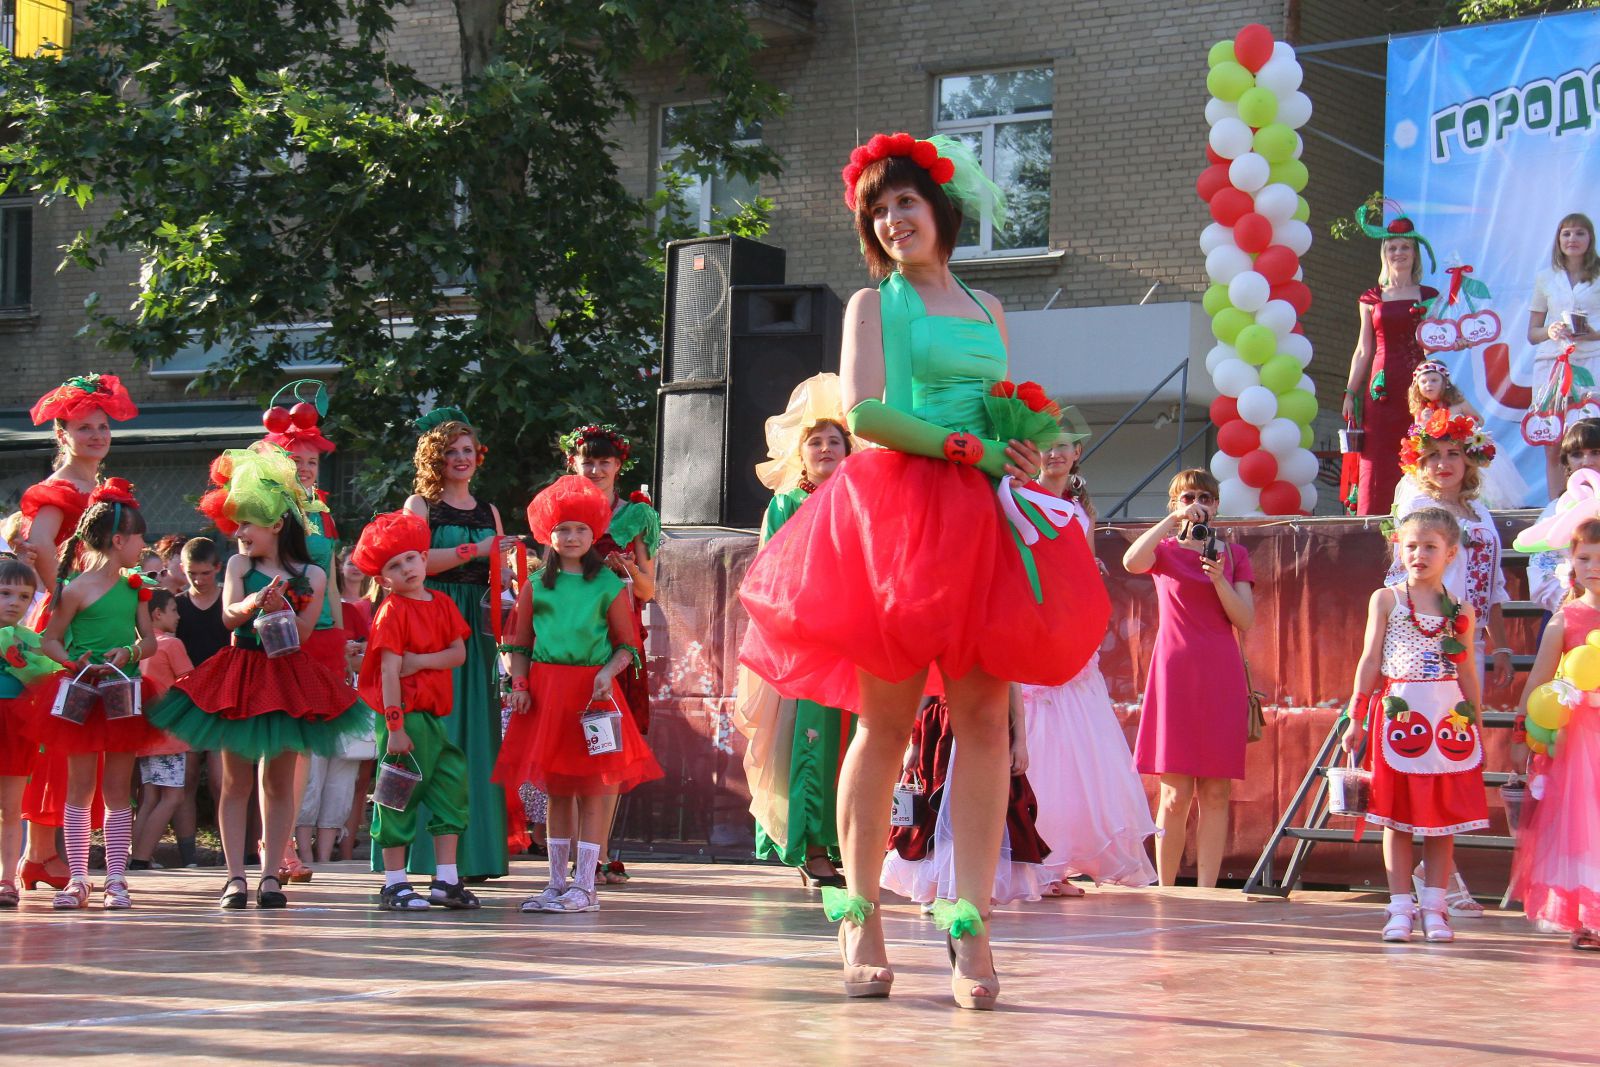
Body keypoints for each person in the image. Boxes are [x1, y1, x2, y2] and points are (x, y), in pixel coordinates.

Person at [738, 131, 1108, 1009]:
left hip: (981, 517)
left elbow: (1000, 403)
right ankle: (859, 912)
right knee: (887, 721)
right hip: (900, 516)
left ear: (938, 208)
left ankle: (970, 920)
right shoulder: (876, 304)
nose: (892, 218)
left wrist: (1019, 445)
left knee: (984, 720)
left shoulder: (988, 305)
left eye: (905, 201)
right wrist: (969, 447)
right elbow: (865, 413)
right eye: (878, 209)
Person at [146, 447, 367, 909]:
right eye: (238, 524)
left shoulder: (311, 574)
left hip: (286, 678)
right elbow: (228, 617)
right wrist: (254, 603)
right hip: (242, 674)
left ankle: (270, 876)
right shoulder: (238, 566)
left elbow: (303, 634)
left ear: (277, 524)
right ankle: (234, 877)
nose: (239, 532)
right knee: (234, 782)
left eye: (248, 523)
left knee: (279, 782)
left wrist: (284, 605)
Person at [495, 476, 662, 915]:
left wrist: (608, 672)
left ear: (594, 534)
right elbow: (518, 644)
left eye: (581, 529)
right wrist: (519, 684)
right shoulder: (536, 585)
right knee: (557, 791)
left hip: (594, 698)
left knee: (591, 790)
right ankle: (556, 883)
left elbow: (627, 646)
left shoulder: (608, 585)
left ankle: (586, 886)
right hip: (547, 696)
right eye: (563, 529)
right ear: (548, 534)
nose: (572, 537)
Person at [1022, 422, 1157, 892]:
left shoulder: (1082, 509)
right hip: (1034, 629)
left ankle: (1056, 862)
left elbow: (1087, 568)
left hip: (1073, 635)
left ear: (1077, 451)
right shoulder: (1021, 497)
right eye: (1046, 447)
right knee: (1034, 743)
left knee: (1073, 749)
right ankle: (1029, 859)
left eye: (1062, 446)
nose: (1054, 454)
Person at [735, 374, 858, 888]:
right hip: (808, 643)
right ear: (800, 455)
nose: (826, 448)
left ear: (850, 450)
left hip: (857, 641)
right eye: (816, 442)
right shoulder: (786, 504)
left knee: (856, 742)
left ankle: (849, 842)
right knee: (812, 741)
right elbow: (771, 575)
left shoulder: (863, 499)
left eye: (835, 441)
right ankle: (812, 847)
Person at [17, 372, 139, 892]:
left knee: (86, 734)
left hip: (99, 614)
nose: (96, 435)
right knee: (64, 735)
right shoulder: (59, 490)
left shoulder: (102, 490)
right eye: (84, 427)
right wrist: (63, 592)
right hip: (70, 619)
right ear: (62, 435)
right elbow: (39, 544)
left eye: (103, 426)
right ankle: (41, 854)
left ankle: (46, 855)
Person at [1342, 507, 1487, 943]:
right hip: (1400, 719)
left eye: (1430, 547)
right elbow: (1370, 659)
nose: (1418, 554)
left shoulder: (1460, 610)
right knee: (1397, 818)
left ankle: (1435, 908)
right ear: (1398, 549)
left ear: (1451, 553)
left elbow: (1466, 670)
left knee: (1442, 820)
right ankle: (1400, 907)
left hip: (1446, 720)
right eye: (1410, 546)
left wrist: (1475, 722)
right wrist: (1355, 715)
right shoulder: (1386, 599)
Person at [28, 481, 160, 910]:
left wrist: (130, 652)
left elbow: (149, 641)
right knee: (80, 789)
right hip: (83, 692)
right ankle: (79, 878)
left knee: (119, 789)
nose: (143, 545)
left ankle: (117, 878)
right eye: (139, 537)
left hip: (122, 693)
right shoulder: (75, 588)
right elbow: (49, 640)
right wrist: (72, 662)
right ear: (119, 540)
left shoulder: (136, 586)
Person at [1123, 469, 1254, 888]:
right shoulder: (1163, 551)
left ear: (1217, 506)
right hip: (1175, 675)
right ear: (1175, 503)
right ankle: (1167, 891)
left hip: (1221, 674)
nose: (1198, 504)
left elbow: (1244, 619)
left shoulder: (1234, 555)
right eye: (1188, 497)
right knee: (1174, 793)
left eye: (1205, 498)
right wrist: (1172, 522)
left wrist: (1219, 579)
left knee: (1215, 792)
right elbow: (1131, 561)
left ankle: (1208, 892)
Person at [392, 407, 506, 881]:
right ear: (434, 458)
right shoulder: (420, 505)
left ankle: (475, 857)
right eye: (451, 451)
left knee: (476, 734)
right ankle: (423, 857)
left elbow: (500, 576)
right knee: (431, 730)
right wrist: (475, 550)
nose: (461, 458)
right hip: (430, 619)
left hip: (478, 628)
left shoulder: (490, 511)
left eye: (468, 450)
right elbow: (412, 563)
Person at [352, 511, 480, 911]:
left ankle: (446, 880)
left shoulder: (442, 604)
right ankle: (394, 883)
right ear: (382, 579)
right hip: (403, 717)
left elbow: (458, 654)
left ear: (424, 558)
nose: (406, 568)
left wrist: (421, 661)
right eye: (394, 565)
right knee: (397, 794)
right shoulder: (392, 610)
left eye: (410, 558)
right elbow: (389, 671)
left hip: (434, 718)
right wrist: (394, 726)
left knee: (450, 788)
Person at [560, 423, 661, 884]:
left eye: (605, 462)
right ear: (573, 463)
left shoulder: (637, 516)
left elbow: (648, 589)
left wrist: (627, 569)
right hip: (571, 640)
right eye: (588, 461)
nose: (596, 469)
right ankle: (572, 855)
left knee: (610, 744)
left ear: (619, 465)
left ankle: (597, 855)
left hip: (619, 641)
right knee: (569, 745)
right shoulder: (561, 510)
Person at [1511, 516, 1600, 950]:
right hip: (1579, 741)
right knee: (1583, 826)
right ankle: (1589, 916)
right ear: (1572, 563)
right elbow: (1537, 681)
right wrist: (1520, 734)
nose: (1594, 567)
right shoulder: (1565, 619)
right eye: (1585, 558)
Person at [881, 689, 1055, 907]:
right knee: (937, 808)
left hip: (988, 724)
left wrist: (1020, 741)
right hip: (941, 731)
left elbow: (1011, 688)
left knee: (983, 808)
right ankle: (939, 887)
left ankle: (976, 888)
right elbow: (925, 689)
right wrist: (914, 742)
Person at [1341, 206, 1440, 516]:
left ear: (1415, 253)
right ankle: (1371, 522)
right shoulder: (1371, 298)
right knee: (1377, 455)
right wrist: (1350, 392)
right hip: (1380, 388)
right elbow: (1362, 349)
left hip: (1419, 385)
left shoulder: (1429, 295)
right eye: (1393, 248)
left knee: (1421, 447)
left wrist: (1454, 343)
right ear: (1385, 254)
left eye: (1405, 247)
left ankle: (1420, 516)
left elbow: (1435, 343)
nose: (1399, 253)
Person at [1527, 213, 1600, 497]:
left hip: (1592, 361)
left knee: (1592, 434)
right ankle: (1555, 505)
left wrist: (1592, 332)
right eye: (1566, 233)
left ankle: (1594, 502)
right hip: (1552, 364)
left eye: (1579, 233)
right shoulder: (1545, 278)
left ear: (1590, 238)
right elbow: (1532, 333)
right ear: (1558, 239)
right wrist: (1550, 330)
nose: (1572, 239)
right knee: (1553, 437)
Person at [0, 557, 58, 907]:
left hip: (17, 727)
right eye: (5, 593)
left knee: (11, 809)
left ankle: (7, 879)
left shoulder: (32, 641)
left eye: (24, 596)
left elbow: (49, 675)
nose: (14, 603)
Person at [127, 588, 195, 870]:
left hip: (146, 732)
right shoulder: (171, 644)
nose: (178, 616)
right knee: (172, 796)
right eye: (173, 610)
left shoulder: (137, 647)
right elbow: (190, 683)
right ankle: (141, 858)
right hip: (170, 734)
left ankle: (136, 857)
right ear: (157, 613)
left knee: (150, 797)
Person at [174, 536, 229, 868]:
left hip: (223, 699)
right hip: (187, 701)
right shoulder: (177, 606)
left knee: (224, 781)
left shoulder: (228, 602)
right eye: (191, 573)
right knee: (187, 778)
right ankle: (188, 856)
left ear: (218, 568)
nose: (198, 579)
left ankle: (228, 850)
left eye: (205, 573)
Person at [1520, 419, 1600, 614]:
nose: (1586, 462)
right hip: (1571, 614)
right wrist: (1577, 599)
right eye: (1577, 454)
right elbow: (1540, 570)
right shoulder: (1557, 510)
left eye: (1596, 452)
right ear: (1567, 462)